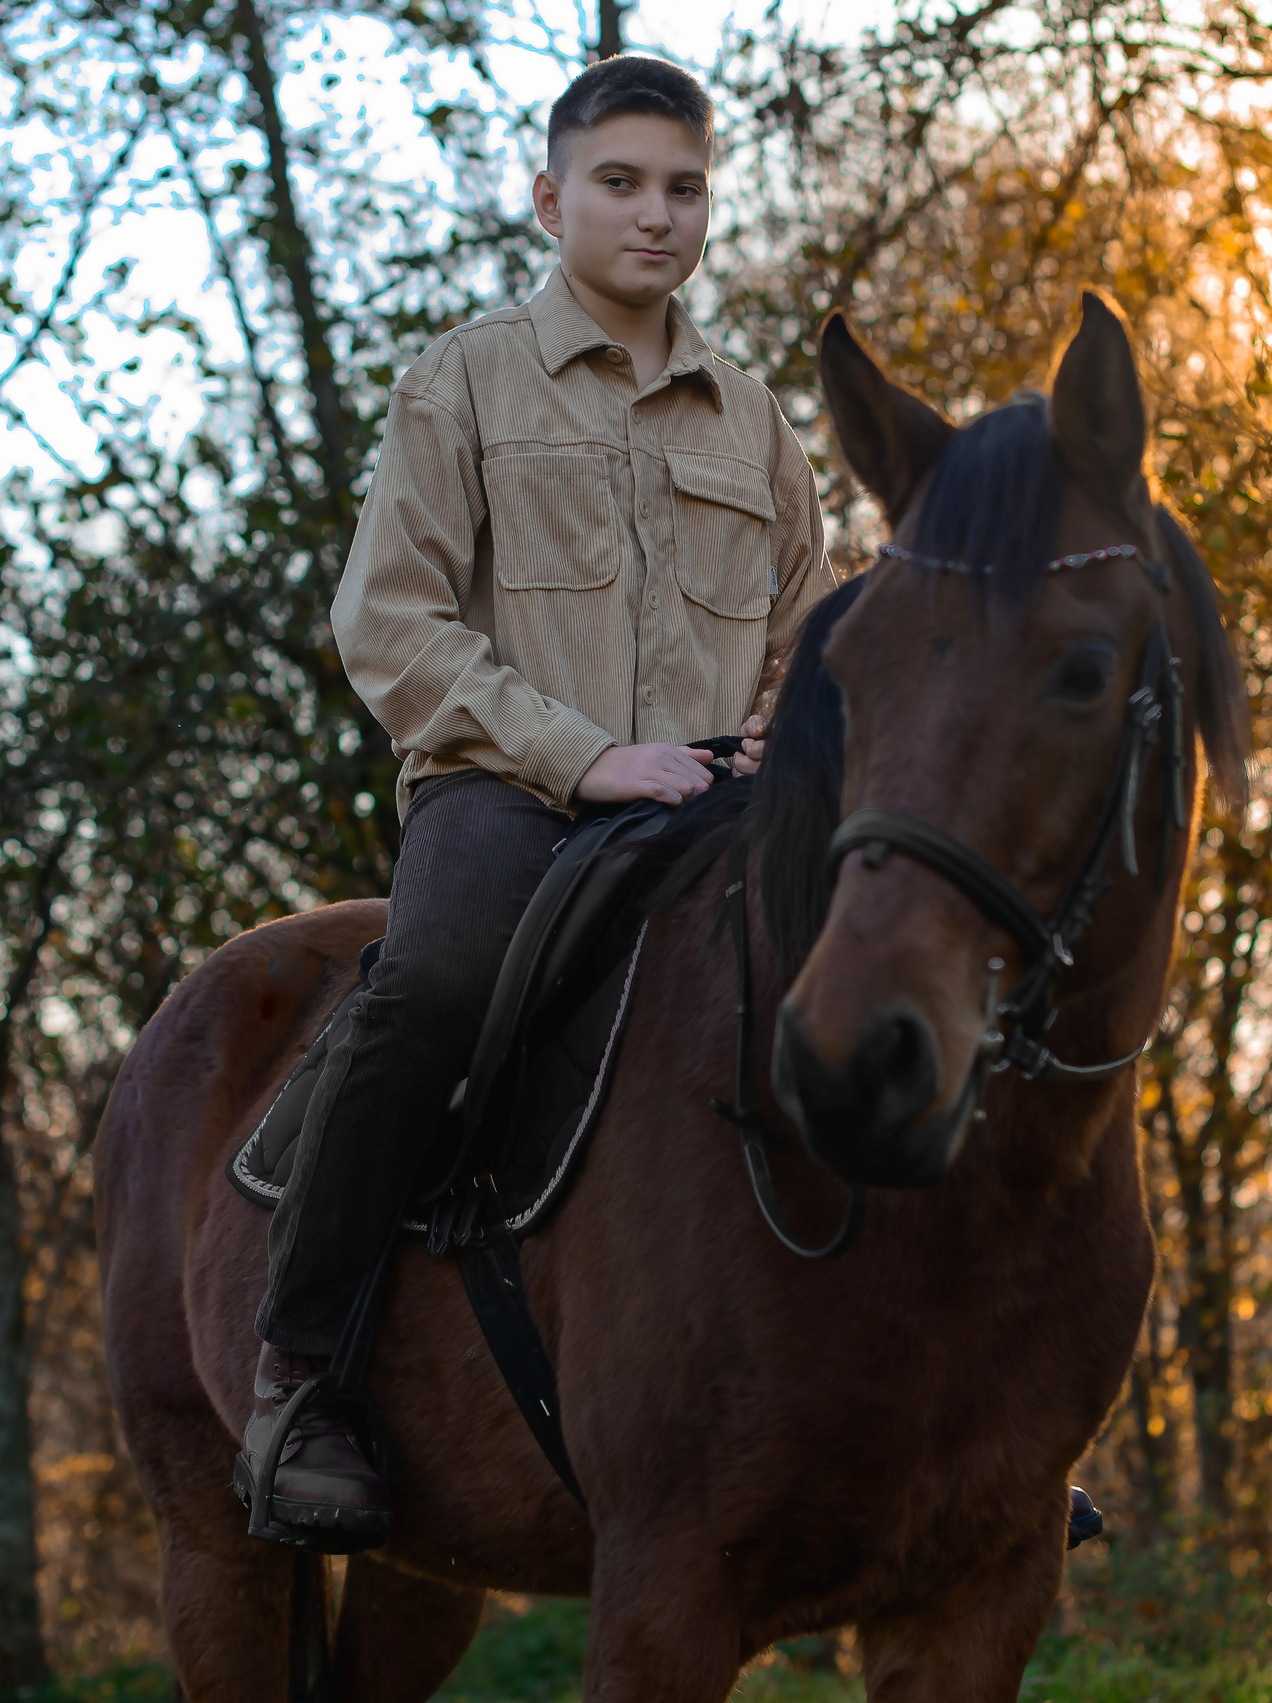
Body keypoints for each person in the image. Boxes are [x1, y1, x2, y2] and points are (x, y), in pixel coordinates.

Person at [234, 54, 833, 1537]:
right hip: (508, 794)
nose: (657, 215)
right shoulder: (468, 377)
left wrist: (772, 738)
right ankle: (300, 1370)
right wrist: (586, 756)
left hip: (716, 809)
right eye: (621, 184)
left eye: (684, 188)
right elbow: (391, 622)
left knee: (893, 979)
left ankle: (935, 1399)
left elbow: (809, 630)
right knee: (432, 980)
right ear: (552, 196)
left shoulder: (754, 420)